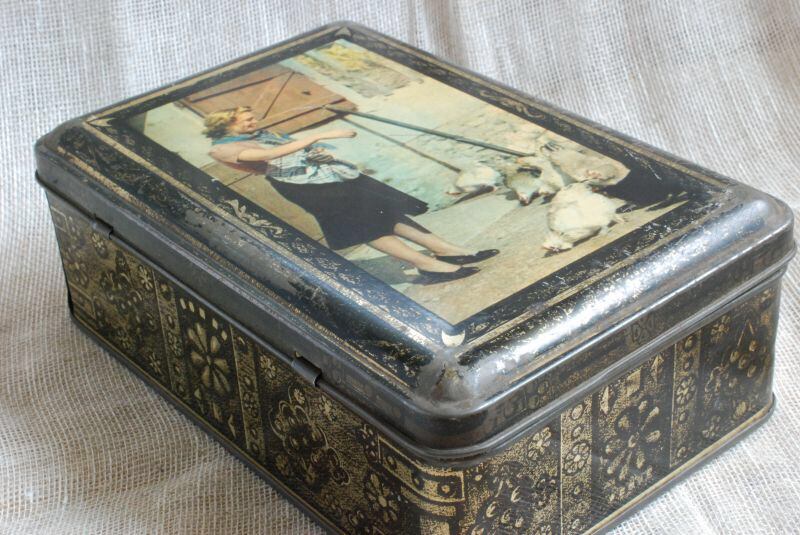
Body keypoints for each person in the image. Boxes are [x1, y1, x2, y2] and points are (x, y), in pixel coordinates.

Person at [203, 106, 498, 283]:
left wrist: (315, 150)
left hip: (328, 174)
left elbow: (289, 150)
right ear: (226, 123)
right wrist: (319, 135)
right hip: (306, 187)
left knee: (386, 210)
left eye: (252, 118)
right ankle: (426, 265)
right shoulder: (222, 148)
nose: (253, 122)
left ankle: (446, 249)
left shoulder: (258, 134)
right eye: (246, 120)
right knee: (364, 225)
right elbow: (269, 155)